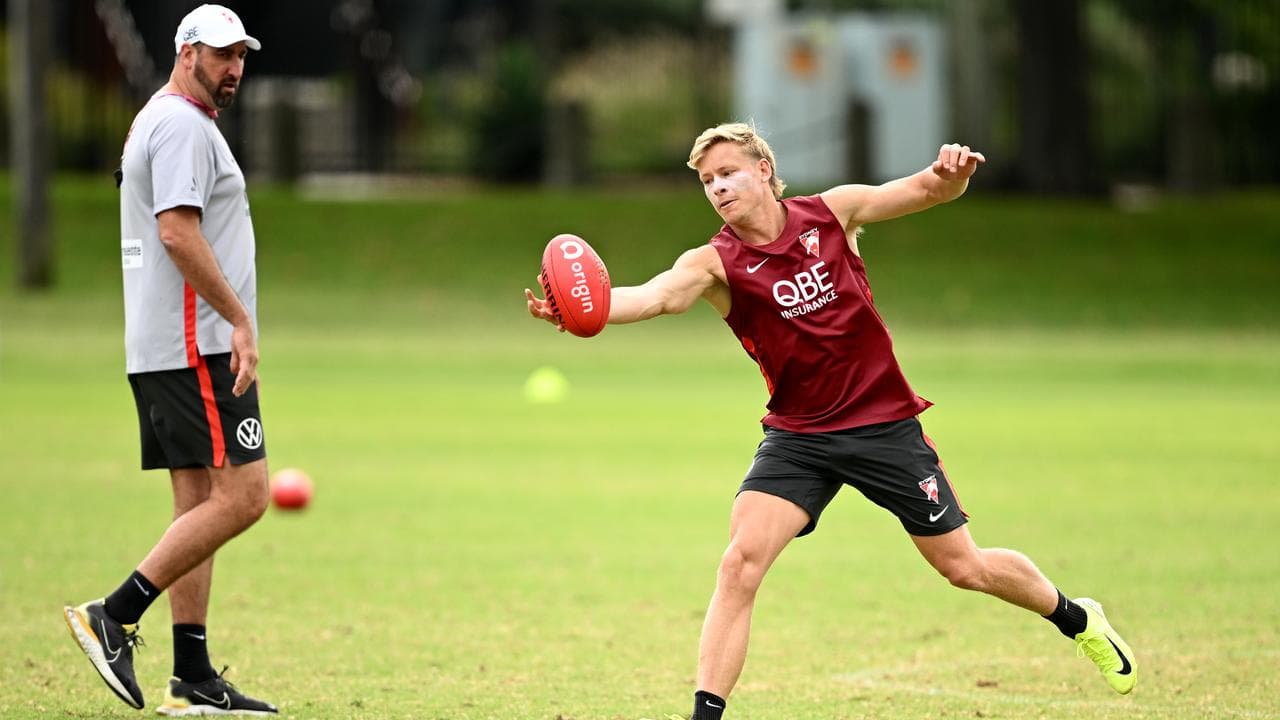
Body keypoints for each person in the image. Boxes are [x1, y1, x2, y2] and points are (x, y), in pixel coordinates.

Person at [525, 123, 1136, 720]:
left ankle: (1077, 618)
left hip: (884, 427)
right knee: (740, 563)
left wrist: (952, 175)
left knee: (963, 568)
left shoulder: (832, 214)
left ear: (764, 170)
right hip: (799, 438)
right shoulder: (715, 263)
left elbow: (926, 190)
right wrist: (589, 310)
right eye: (708, 180)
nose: (718, 187)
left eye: (729, 172)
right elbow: (654, 296)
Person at [63, 5, 277, 716]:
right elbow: (178, 234)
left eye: (241, 56)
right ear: (186, 52)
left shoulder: (160, 117)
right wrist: (240, 320)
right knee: (245, 497)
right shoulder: (184, 124)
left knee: (197, 506)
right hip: (198, 346)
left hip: (162, 349)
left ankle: (192, 673)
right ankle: (114, 615)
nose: (234, 68)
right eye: (221, 55)